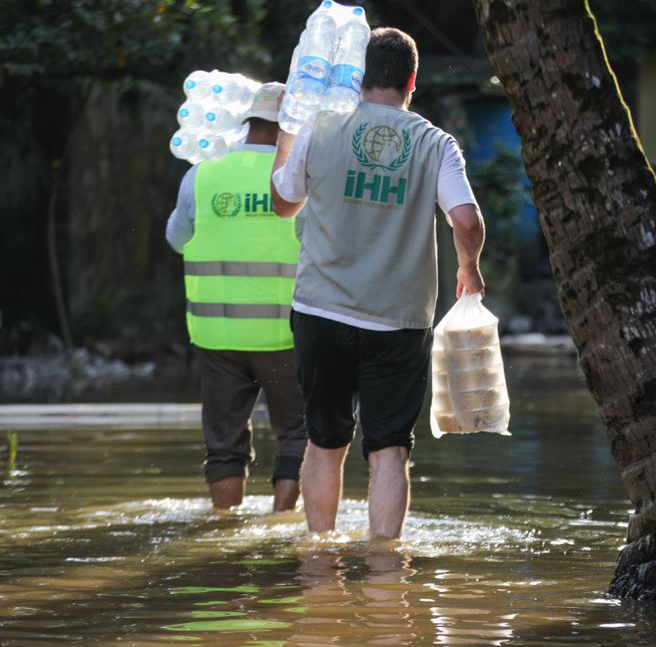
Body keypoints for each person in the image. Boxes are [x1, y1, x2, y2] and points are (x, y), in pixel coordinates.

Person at [270, 27, 486, 540]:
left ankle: (320, 560)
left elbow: (283, 204)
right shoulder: (436, 143)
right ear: (413, 80)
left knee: (324, 442)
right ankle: (387, 571)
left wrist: (288, 129)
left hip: (321, 311)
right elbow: (468, 220)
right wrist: (469, 268)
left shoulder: (320, 128)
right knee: (390, 447)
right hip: (399, 321)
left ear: (358, 78)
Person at [165, 82, 307, 512]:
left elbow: (176, 238)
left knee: (223, 442)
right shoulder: (300, 177)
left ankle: (225, 528)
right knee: (298, 432)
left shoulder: (202, 172)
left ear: (247, 122)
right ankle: (280, 523)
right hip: (286, 335)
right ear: (290, 126)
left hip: (217, 333)